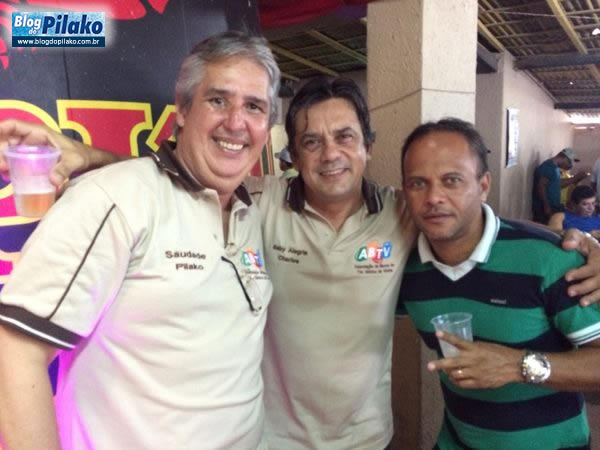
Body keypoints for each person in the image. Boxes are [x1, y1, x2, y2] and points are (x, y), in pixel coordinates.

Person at [4, 80, 600, 449]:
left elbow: (467, 216)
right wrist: (88, 155)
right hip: (273, 438)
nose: (330, 154)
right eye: (311, 141)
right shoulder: (259, 202)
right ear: (293, 155)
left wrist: (574, 238)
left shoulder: (401, 211)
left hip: (367, 438)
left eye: (345, 137)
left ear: (367, 146)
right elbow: (177, 181)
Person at [0, 31, 279, 450]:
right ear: (182, 110)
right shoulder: (112, 198)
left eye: (254, 107)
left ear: (267, 127)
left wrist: (90, 154)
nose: (236, 122)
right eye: (218, 100)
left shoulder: (252, 209)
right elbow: (14, 352)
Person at [398, 118, 600, 449]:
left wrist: (518, 366)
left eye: (452, 180)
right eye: (418, 183)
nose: (434, 197)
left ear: (483, 186)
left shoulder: (549, 259)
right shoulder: (405, 270)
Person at [532, 147, 587, 224]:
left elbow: (558, 184)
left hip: (553, 206)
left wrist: (575, 179)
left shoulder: (556, 168)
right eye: (569, 163)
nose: (569, 166)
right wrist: (546, 206)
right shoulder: (547, 167)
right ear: (563, 158)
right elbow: (541, 187)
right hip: (544, 208)